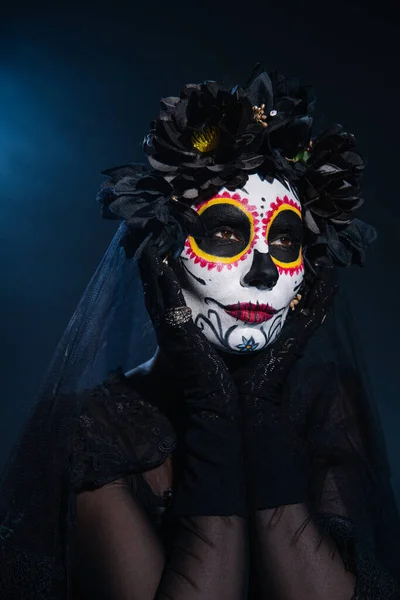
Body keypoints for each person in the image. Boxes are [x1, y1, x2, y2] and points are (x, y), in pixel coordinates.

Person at [1, 65, 400, 599]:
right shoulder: (91, 430)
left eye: (284, 242)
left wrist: (254, 404)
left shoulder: (325, 402)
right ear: (161, 258)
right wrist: (212, 405)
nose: (262, 271)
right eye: (223, 232)